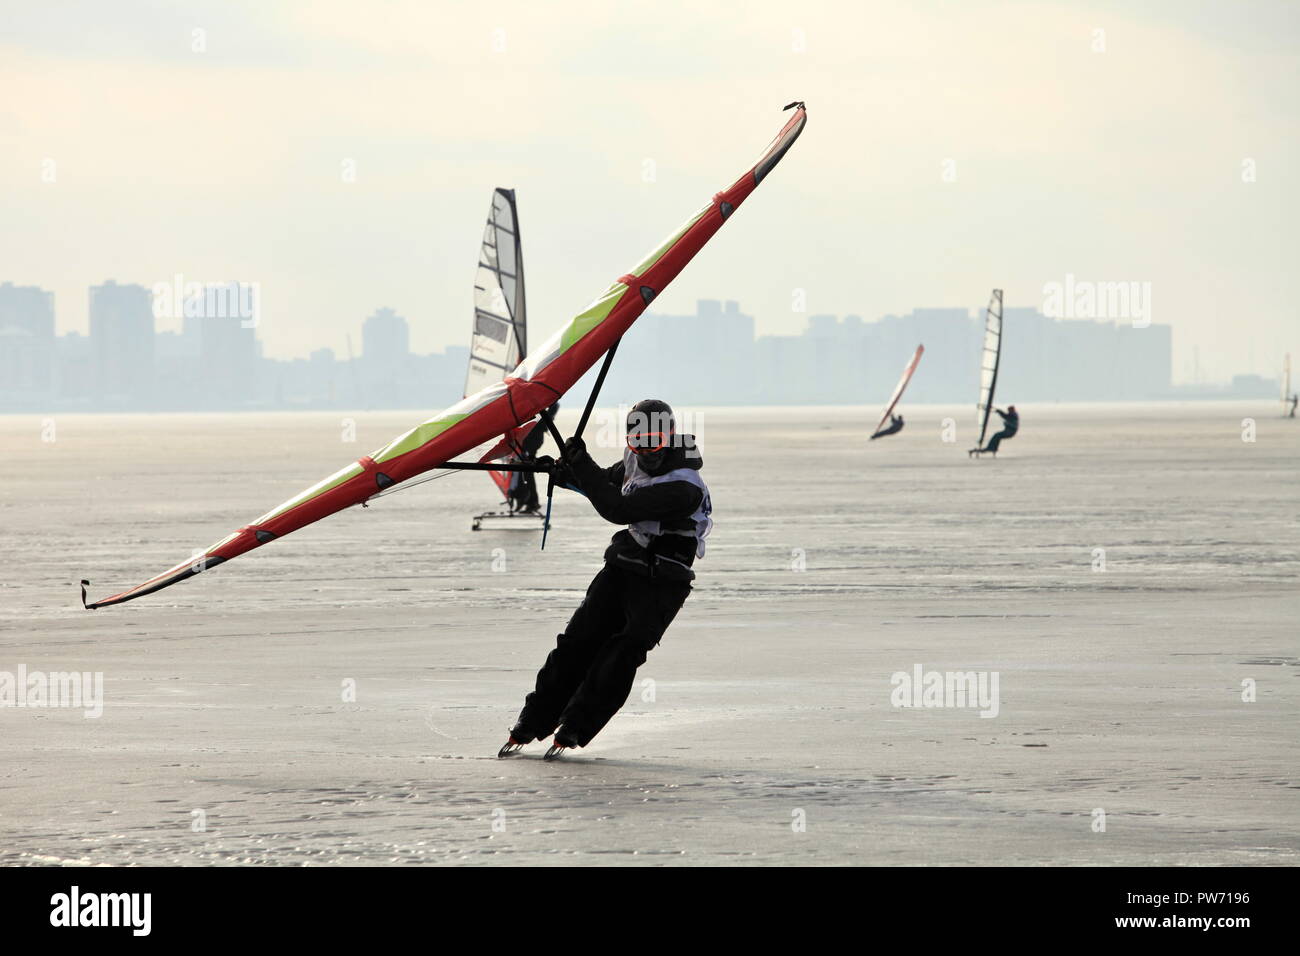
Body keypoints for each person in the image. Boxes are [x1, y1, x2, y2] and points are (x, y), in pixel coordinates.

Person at [499, 399, 712, 759]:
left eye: (655, 443)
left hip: (663, 581)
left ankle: (575, 728)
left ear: (671, 438)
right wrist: (562, 471)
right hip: (623, 567)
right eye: (638, 444)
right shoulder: (634, 462)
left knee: (621, 653)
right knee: (576, 642)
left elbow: (618, 508)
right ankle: (534, 719)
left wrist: (581, 465)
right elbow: (605, 483)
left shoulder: (683, 486)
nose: (647, 453)